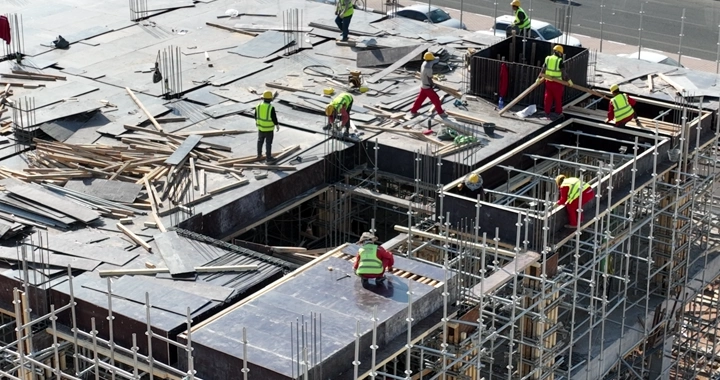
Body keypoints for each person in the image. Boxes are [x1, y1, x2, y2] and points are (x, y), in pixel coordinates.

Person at [537, 45, 573, 119]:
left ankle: (546, 112)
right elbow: (564, 72)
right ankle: (558, 112)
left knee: (548, 98)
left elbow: (543, 69)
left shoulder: (548, 58)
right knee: (558, 98)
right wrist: (569, 80)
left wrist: (538, 78)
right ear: (559, 53)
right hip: (557, 82)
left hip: (548, 82)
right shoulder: (559, 60)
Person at [410, 52, 446, 117]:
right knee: (436, 99)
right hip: (427, 87)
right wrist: (433, 85)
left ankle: (413, 111)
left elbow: (435, 60)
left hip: (423, 85)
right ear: (431, 59)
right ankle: (441, 113)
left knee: (420, 99)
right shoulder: (428, 68)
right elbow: (429, 78)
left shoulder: (424, 63)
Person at [254, 91, 279, 162]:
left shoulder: (258, 106)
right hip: (269, 129)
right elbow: (274, 118)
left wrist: (258, 122)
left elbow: (255, 116)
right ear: (271, 99)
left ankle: (259, 155)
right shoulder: (271, 107)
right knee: (268, 143)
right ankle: (268, 158)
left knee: (260, 141)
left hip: (260, 128)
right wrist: (277, 125)